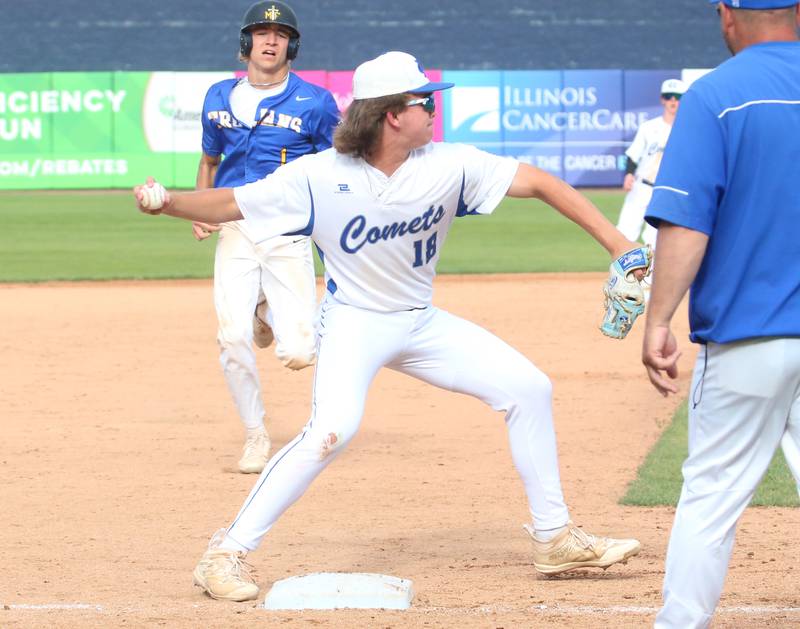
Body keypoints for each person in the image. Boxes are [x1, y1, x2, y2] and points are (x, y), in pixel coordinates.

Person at [135, 51, 644, 603]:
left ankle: (555, 538)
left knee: (529, 389)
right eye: (425, 100)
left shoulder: (450, 164)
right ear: (391, 115)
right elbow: (232, 201)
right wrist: (168, 204)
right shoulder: (317, 177)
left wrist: (620, 246)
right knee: (330, 432)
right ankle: (224, 554)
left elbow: (541, 183)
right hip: (354, 322)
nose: (434, 108)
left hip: (421, 322)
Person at [641, 1, 800, 626]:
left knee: (711, 497)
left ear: (727, 16)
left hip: (748, 335)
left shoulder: (717, 96)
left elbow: (685, 224)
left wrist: (658, 321)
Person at [193, 1, 339, 474]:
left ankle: (265, 313)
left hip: (287, 230)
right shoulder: (217, 96)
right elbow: (210, 162)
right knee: (231, 337)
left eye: (279, 34)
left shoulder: (315, 102)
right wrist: (201, 207)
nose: (269, 40)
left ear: (291, 45)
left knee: (299, 353)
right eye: (260, 33)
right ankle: (256, 434)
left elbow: (333, 169)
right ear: (246, 44)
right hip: (236, 226)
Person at [616, 78, 687, 251]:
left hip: (666, 190)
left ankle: (652, 277)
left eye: (677, 97)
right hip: (642, 187)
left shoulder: (687, 129)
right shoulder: (649, 127)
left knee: (655, 240)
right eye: (669, 96)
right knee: (624, 234)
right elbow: (633, 154)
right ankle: (622, 276)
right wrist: (629, 174)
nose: (673, 101)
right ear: (663, 99)